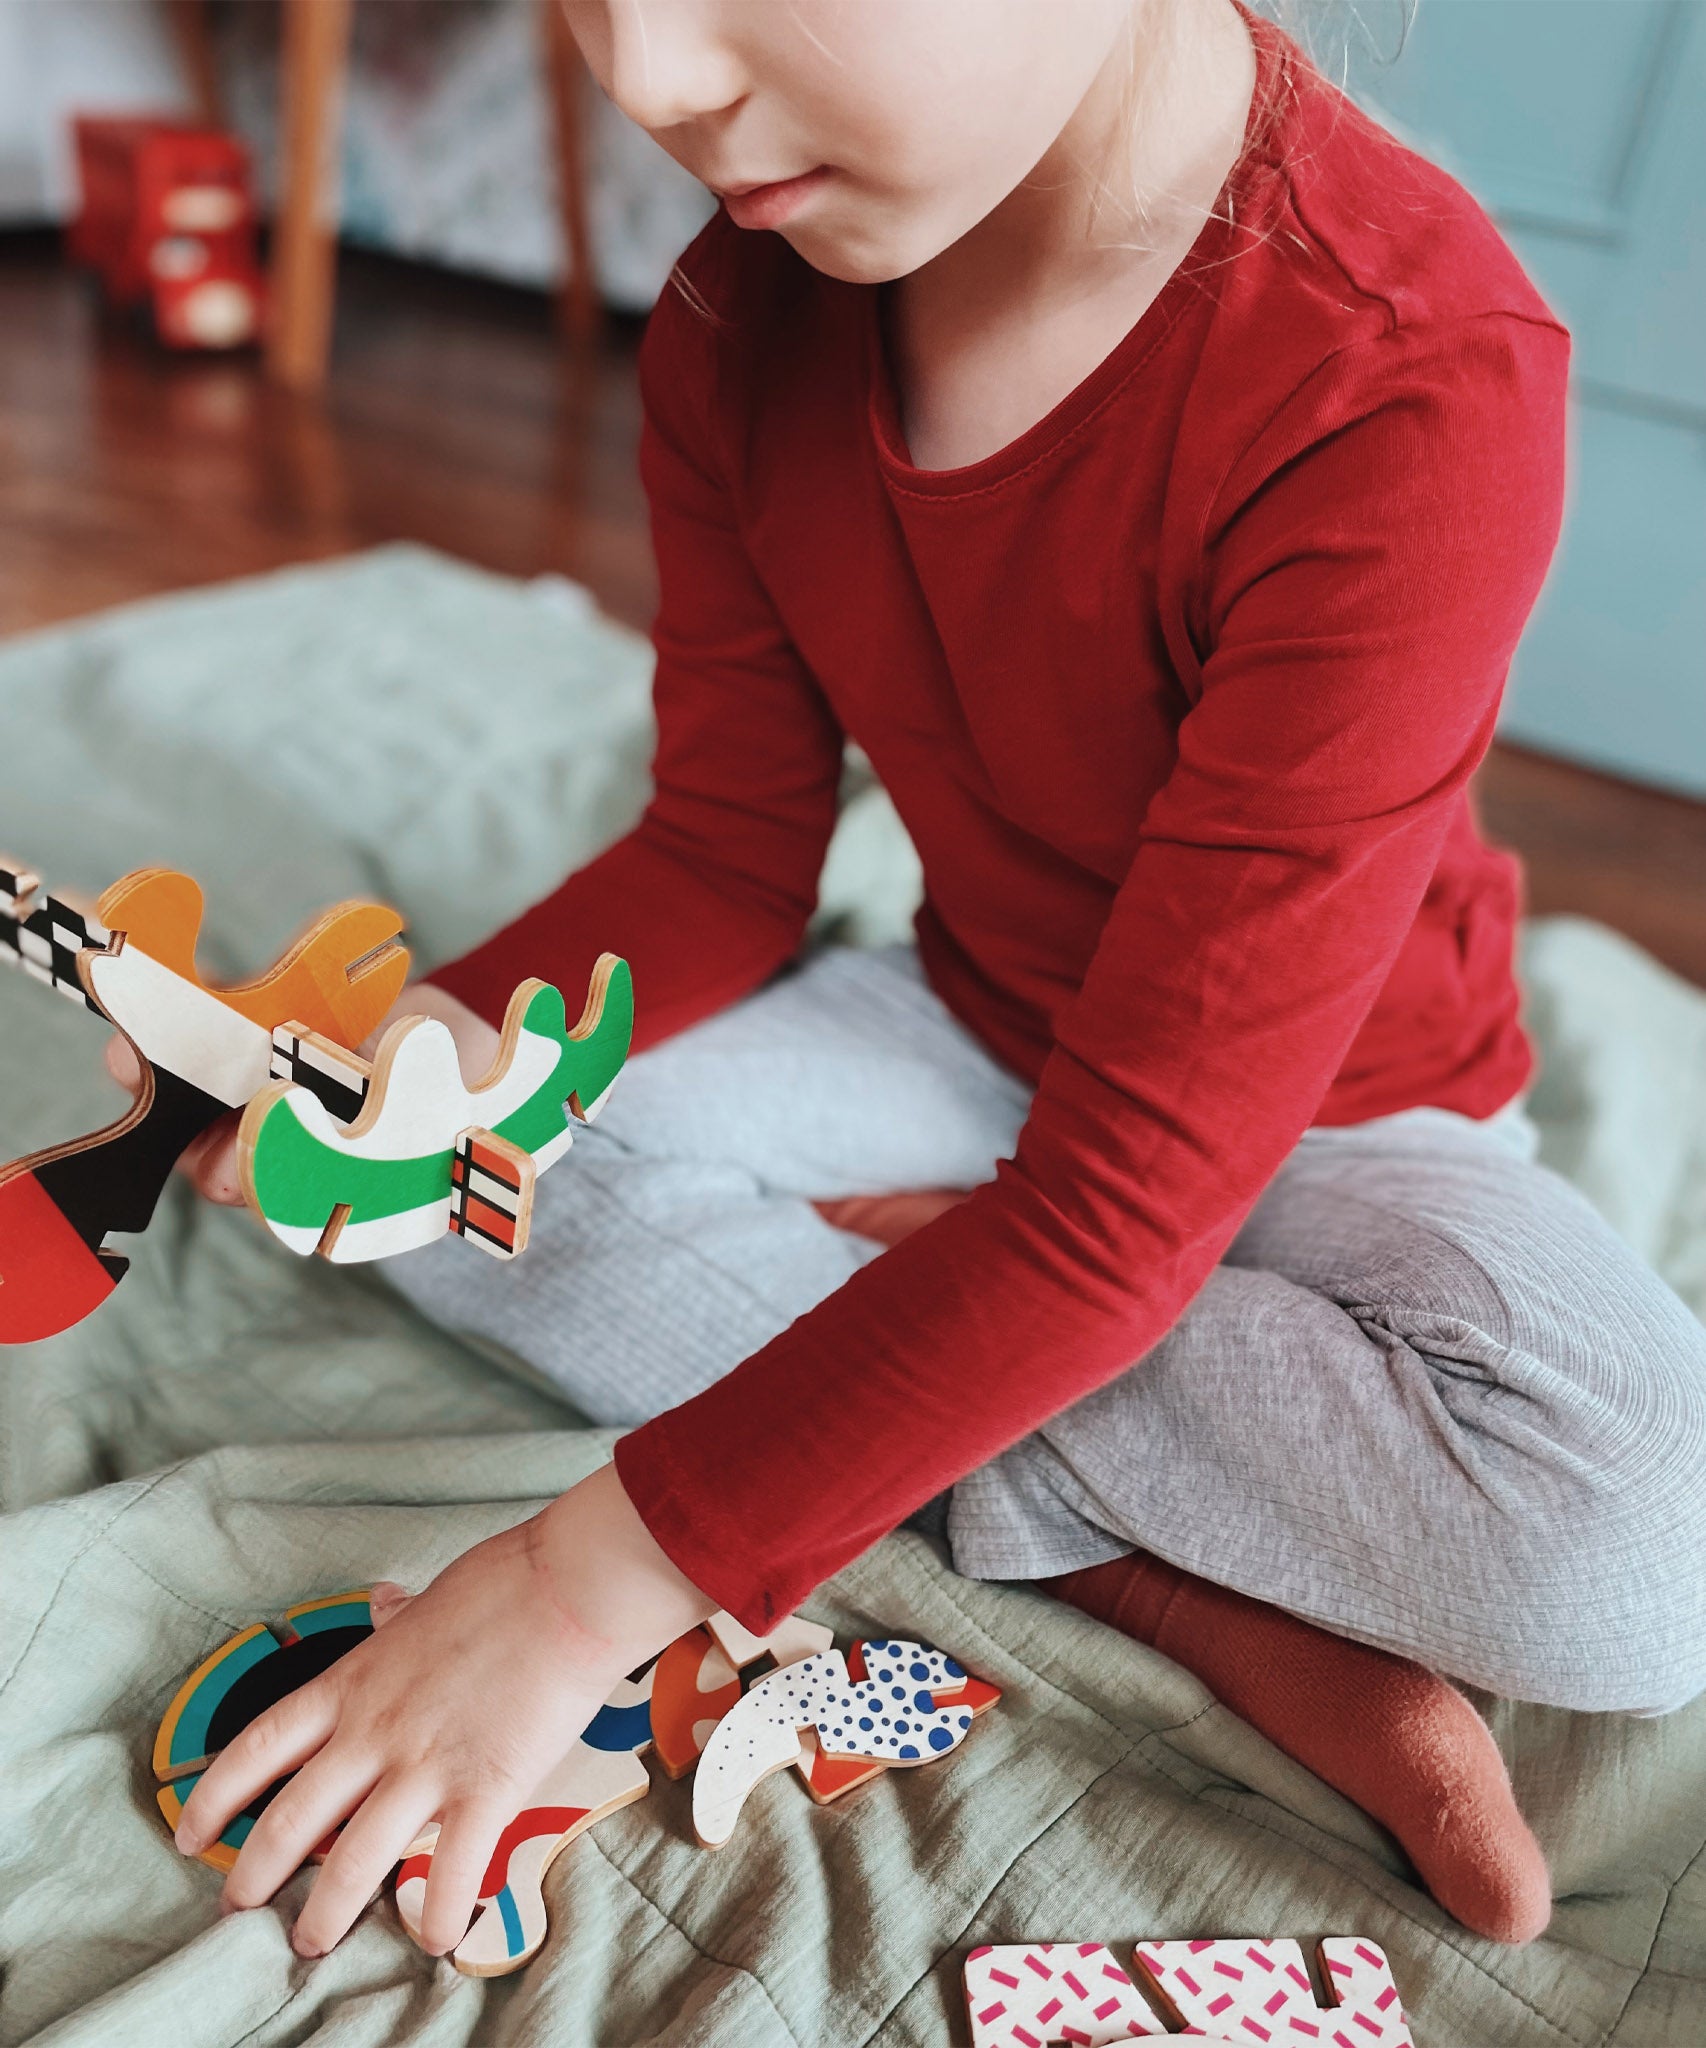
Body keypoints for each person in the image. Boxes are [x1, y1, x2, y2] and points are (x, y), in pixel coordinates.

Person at [160, 0, 1706, 1964]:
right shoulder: (744, 316)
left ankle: (948, 1349)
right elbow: (725, 851)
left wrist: (565, 1595)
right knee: (451, 1186)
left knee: (1642, 1548)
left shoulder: (1405, 375)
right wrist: (445, 1038)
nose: (645, 79)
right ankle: (1169, 1579)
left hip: (1337, 1110)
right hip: (972, 1029)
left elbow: (1140, 1184)